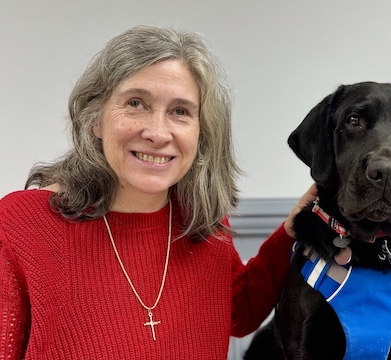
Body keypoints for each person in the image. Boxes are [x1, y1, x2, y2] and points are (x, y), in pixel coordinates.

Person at [0, 25, 316, 359]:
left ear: (201, 132)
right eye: (135, 103)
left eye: (180, 111)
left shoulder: (201, 220)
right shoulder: (22, 223)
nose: (157, 132)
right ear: (95, 119)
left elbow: (237, 311)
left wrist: (292, 230)